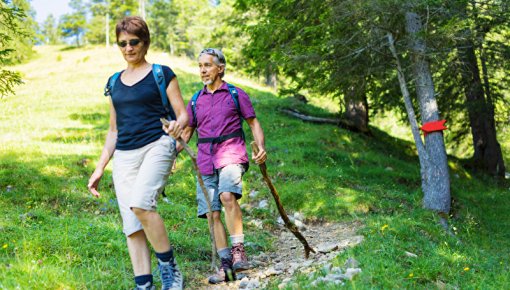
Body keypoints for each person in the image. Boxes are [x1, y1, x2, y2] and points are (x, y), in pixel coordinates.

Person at [87, 16, 188, 290]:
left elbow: (182, 113)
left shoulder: (161, 73)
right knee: (132, 224)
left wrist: (179, 126)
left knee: (142, 204)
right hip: (124, 156)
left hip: (157, 144)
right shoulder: (114, 82)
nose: (129, 48)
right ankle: (144, 284)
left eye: (134, 42)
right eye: (123, 43)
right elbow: (113, 131)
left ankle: (169, 269)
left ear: (145, 42)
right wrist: (99, 168)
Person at [169, 48, 267, 284]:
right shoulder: (196, 100)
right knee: (212, 213)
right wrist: (170, 155)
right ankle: (226, 265)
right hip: (205, 160)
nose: (203, 70)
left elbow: (253, 123)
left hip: (231, 154)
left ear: (220, 68)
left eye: (207, 65)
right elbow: (188, 132)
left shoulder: (235, 94)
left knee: (226, 196)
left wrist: (261, 147)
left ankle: (238, 251)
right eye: (200, 65)